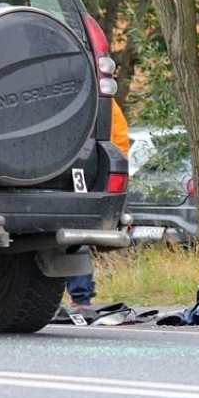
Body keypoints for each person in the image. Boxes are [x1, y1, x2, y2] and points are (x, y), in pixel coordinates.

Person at [65, 98, 129, 307]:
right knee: (77, 234)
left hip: (74, 171)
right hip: (87, 171)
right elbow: (119, 144)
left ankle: (79, 295)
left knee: (72, 236)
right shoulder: (103, 100)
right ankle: (80, 296)